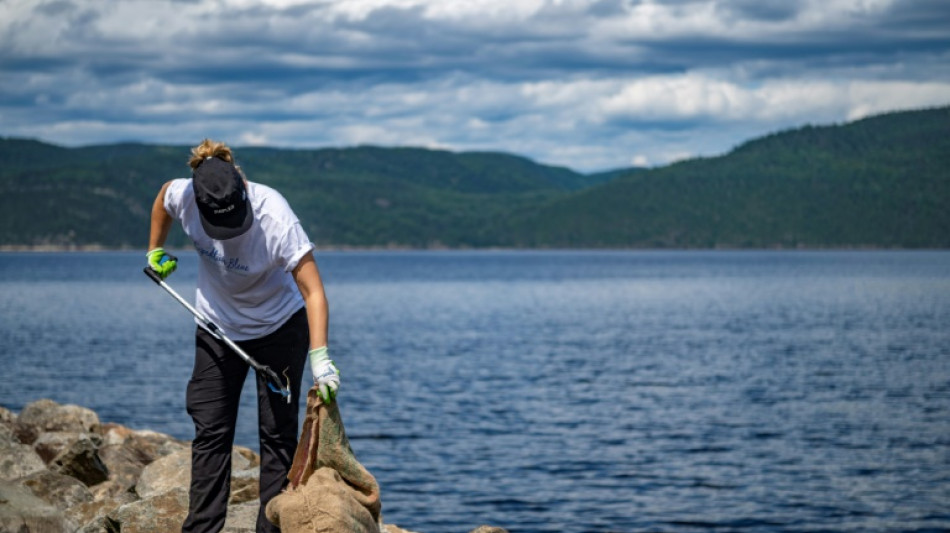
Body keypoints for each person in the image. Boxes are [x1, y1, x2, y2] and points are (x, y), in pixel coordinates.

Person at [146, 139, 340, 533]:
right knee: (211, 432)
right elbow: (163, 197)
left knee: (277, 438)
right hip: (217, 329)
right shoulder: (185, 195)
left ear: (243, 190)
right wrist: (154, 249)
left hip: (279, 329)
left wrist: (321, 358)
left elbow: (314, 291)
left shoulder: (275, 216)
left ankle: (270, 529)